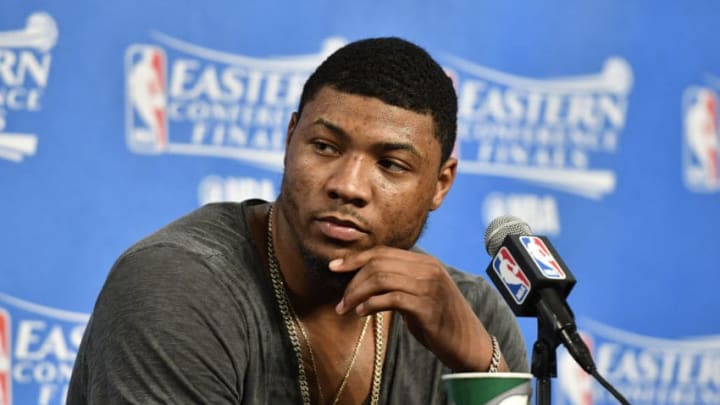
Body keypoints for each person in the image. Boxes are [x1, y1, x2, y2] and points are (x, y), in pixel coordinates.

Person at [67, 37, 528, 404]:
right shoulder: (176, 287)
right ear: (291, 139)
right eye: (325, 147)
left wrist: (482, 366)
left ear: (440, 184)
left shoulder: (474, 317)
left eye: (390, 164)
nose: (348, 185)